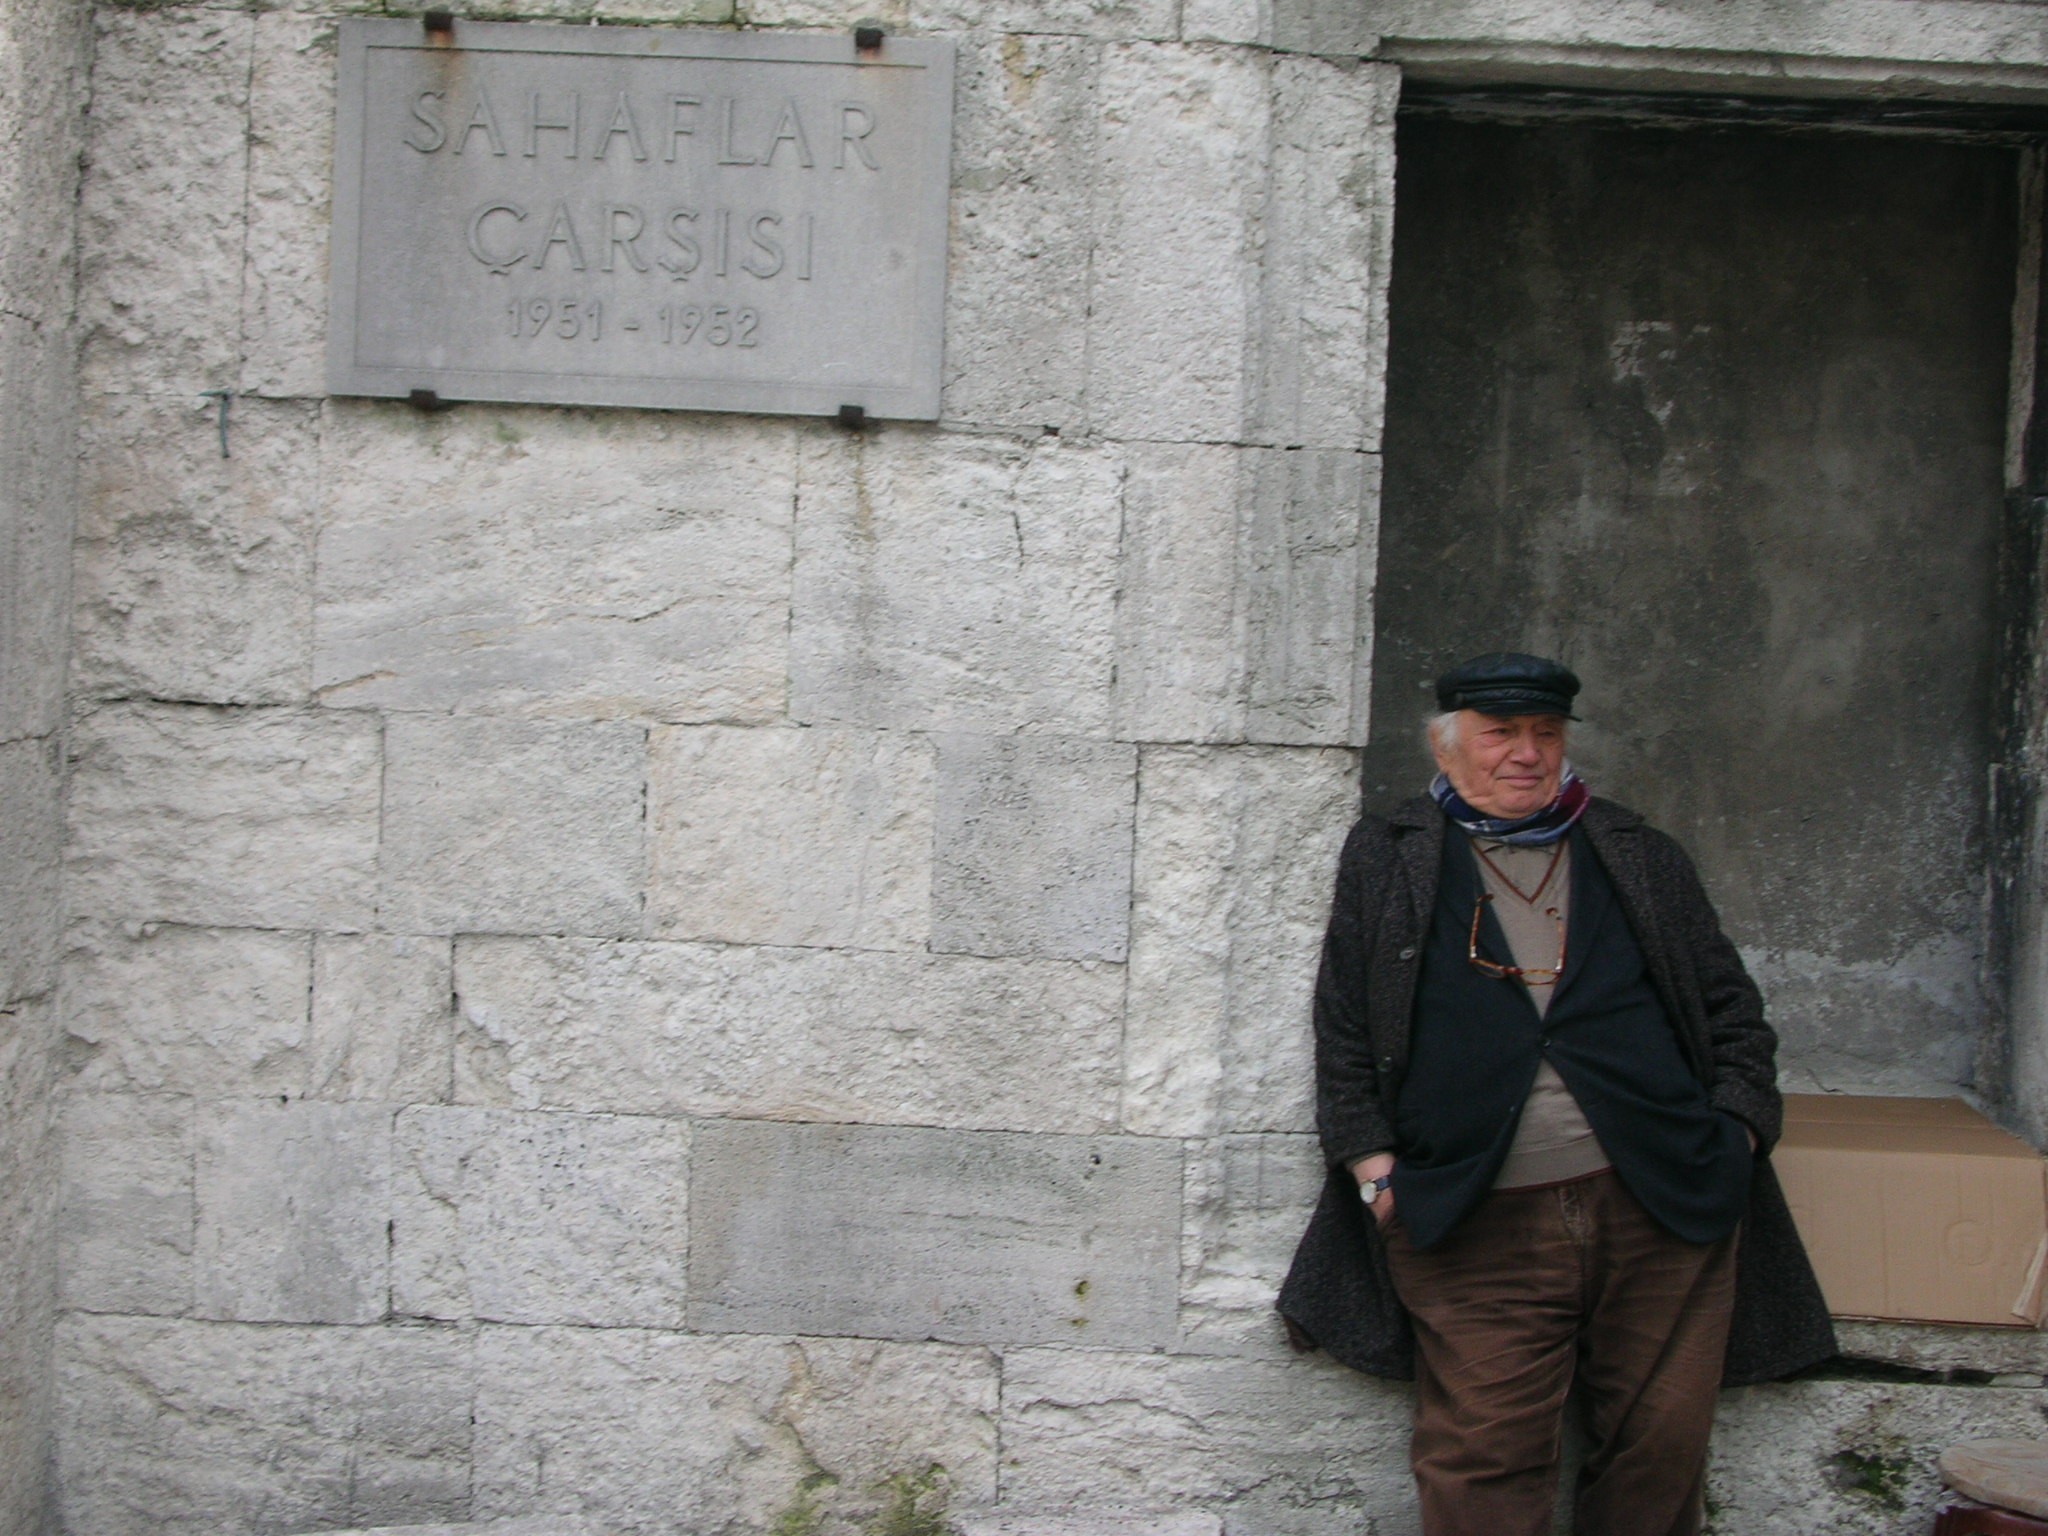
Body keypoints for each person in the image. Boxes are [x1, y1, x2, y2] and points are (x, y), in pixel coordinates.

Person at [1277, 651, 1836, 1536]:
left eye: (1544, 734)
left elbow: (1732, 1010)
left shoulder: (1634, 851)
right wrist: (1375, 1174)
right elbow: (1345, 1025)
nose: (1526, 754)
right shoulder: (1391, 857)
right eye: (1500, 734)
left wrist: (1738, 1135)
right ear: (1449, 748)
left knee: (1659, 1454)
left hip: (1662, 1200)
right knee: (1482, 1460)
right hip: (1471, 1212)